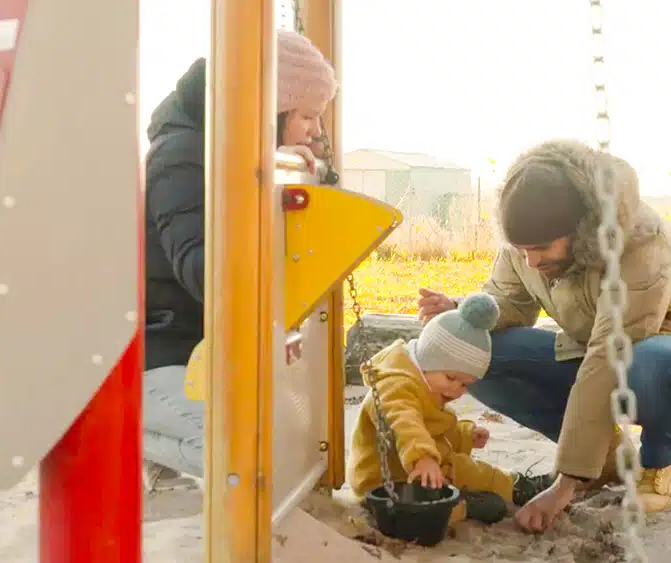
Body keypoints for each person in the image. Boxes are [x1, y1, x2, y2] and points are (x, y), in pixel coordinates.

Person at [417, 139, 671, 532]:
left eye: (540, 248)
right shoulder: (527, 248)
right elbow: (509, 303)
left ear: (582, 229)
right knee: (479, 356)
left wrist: (564, 486)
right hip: (595, 350)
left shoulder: (642, 242)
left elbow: (609, 355)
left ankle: (657, 465)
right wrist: (460, 311)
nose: (530, 260)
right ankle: (603, 460)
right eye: (521, 250)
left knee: (654, 365)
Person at [141, 30, 337, 484]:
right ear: (273, 105)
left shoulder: (234, 151)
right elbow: (203, 272)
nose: (316, 131)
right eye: (309, 116)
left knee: (273, 446)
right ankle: (121, 425)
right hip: (163, 350)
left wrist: (289, 169)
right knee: (243, 458)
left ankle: (155, 469)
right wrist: (265, 181)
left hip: (200, 350)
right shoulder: (181, 157)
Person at [347, 293, 555, 524]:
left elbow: (435, 431)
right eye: (451, 378)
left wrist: (464, 436)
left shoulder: (428, 382)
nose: (457, 390)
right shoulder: (396, 384)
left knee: (465, 468)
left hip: (419, 471)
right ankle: (474, 502)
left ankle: (512, 487)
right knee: (446, 493)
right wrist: (422, 458)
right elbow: (404, 423)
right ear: (428, 360)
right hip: (383, 484)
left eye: (465, 385)